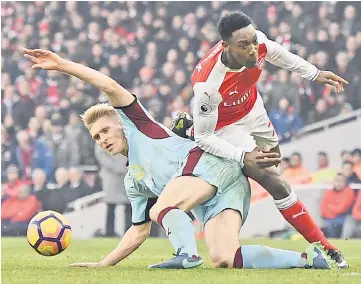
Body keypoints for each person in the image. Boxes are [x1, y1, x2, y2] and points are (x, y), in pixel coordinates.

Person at [23, 48, 335, 270]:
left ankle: (185, 254)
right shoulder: (134, 181)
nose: (103, 138)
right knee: (226, 258)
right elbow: (139, 230)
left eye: (105, 130)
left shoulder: (138, 123)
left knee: (164, 206)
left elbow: (108, 86)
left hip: (212, 165)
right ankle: (308, 259)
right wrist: (102, 264)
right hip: (224, 191)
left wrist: (63, 65)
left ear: (119, 122)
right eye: (97, 137)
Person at [172, 11, 348, 268]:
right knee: (272, 179)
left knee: (274, 160)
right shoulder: (207, 87)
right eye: (244, 46)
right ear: (226, 46)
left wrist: (314, 73)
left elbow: (279, 54)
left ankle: (186, 127)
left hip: (253, 109)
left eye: (253, 41)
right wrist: (242, 155)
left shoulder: (259, 44)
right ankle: (326, 247)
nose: (253, 50)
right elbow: (204, 137)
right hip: (223, 125)